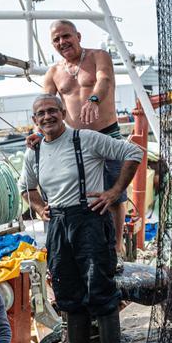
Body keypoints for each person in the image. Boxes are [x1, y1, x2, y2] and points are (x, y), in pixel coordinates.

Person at [20, 94, 143, 343]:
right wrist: (39, 208)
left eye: (53, 111)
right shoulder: (34, 151)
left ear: (63, 113)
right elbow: (27, 188)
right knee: (65, 282)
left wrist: (114, 192)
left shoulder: (86, 139)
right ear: (34, 120)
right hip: (59, 224)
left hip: (89, 219)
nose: (47, 116)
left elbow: (133, 153)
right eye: (41, 113)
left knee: (98, 280)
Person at [38, 20, 131, 259]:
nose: (62, 42)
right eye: (56, 40)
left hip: (106, 133)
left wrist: (93, 100)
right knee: (81, 195)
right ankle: (85, 246)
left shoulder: (99, 56)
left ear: (78, 35)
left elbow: (104, 81)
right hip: (76, 141)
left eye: (66, 36)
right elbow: (45, 105)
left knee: (113, 194)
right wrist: (37, 133)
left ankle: (117, 245)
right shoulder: (54, 72)